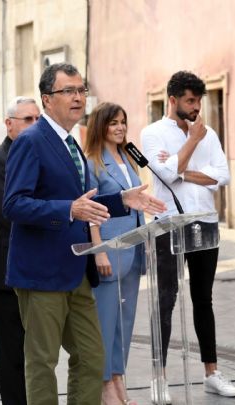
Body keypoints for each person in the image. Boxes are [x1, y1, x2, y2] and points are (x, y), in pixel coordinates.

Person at [3, 62, 166, 405]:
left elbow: (85, 200)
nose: (78, 98)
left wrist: (123, 199)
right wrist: (67, 209)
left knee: (92, 356)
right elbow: (14, 204)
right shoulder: (31, 141)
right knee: (42, 361)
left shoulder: (71, 142)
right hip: (41, 272)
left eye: (81, 90)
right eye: (68, 91)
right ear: (47, 99)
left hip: (77, 268)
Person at [140, 70, 235, 402]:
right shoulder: (153, 133)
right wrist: (191, 143)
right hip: (168, 224)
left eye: (199, 101)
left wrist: (183, 169)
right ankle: (159, 378)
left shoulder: (209, 134)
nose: (196, 107)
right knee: (165, 299)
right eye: (190, 101)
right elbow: (165, 174)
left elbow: (222, 176)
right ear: (173, 100)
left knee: (203, 300)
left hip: (204, 223)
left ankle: (212, 373)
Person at [0, 96, 40, 404]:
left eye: (37, 120)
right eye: (27, 120)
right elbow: (9, 214)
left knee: (38, 352)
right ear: (9, 124)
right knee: (11, 354)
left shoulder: (41, 156)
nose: (34, 126)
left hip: (40, 269)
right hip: (5, 270)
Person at [84, 102, 144, 405]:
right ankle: (105, 384)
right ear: (101, 127)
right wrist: (98, 252)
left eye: (123, 122)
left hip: (133, 248)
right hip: (109, 249)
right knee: (106, 321)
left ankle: (119, 378)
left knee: (125, 319)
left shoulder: (129, 159)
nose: (120, 128)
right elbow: (92, 211)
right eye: (113, 123)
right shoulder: (93, 162)